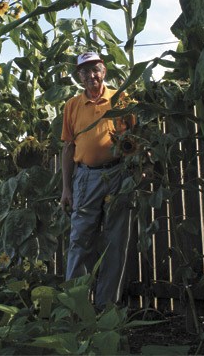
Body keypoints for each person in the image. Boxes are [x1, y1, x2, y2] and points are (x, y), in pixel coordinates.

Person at [60, 51, 134, 310]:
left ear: (104, 71)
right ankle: (76, 306)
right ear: (79, 77)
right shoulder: (72, 105)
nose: (91, 75)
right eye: (85, 72)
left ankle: (107, 307)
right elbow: (68, 148)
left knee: (116, 240)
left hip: (117, 174)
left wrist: (139, 169)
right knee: (80, 239)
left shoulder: (120, 98)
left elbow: (136, 137)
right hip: (86, 177)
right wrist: (66, 188)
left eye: (95, 70)